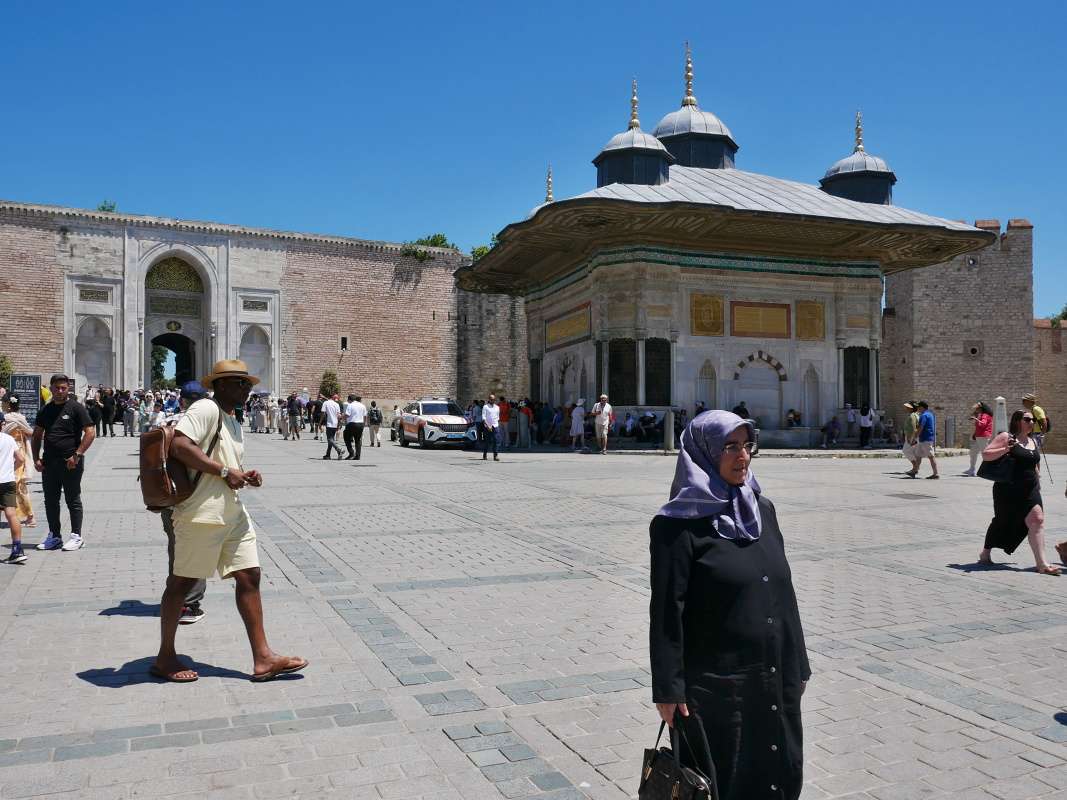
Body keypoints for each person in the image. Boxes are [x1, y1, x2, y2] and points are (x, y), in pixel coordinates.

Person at [650, 411, 809, 800]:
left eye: (746, 446)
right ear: (703, 453)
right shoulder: (677, 527)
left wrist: (799, 664)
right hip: (716, 690)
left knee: (779, 771)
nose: (743, 457)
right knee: (725, 778)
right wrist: (668, 689)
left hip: (772, 676)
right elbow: (667, 611)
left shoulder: (761, 510)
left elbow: (783, 594)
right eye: (730, 447)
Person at [153, 359, 308, 682]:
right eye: (240, 383)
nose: (247, 388)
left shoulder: (232, 420)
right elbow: (181, 445)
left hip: (232, 512)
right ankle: (165, 656)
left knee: (250, 576)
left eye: (248, 383)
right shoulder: (205, 409)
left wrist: (242, 474)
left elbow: (222, 464)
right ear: (220, 385)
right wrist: (225, 471)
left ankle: (263, 658)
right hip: (200, 515)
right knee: (181, 585)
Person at [978, 410, 1061, 575]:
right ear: (1018, 421)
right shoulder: (1006, 437)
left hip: (1030, 489)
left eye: (1033, 420)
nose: (1031, 422)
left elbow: (1034, 463)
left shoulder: (1033, 440)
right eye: (1027, 419)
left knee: (1037, 520)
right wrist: (1005, 449)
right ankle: (985, 552)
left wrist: (1038, 478)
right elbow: (986, 455)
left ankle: (1042, 564)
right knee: (1002, 521)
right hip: (1008, 489)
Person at [160, 382, 211, 623]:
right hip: (195, 497)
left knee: (175, 549)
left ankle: (174, 598)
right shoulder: (206, 424)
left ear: (181, 401)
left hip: (168, 496)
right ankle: (189, 605)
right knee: (196, 551)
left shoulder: (165, 421)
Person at [31, 374, 95, 552]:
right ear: (51, 388)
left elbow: (90, 432)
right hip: (49, 462)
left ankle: (76, 536)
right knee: (50, 500)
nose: (60, 391)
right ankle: (55, 536)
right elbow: (37, 435)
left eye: (63, 388)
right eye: (57, 388)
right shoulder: (45, 410)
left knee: (72, 499)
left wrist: (78, 454)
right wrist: (36, 458)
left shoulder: (76, 408)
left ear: (68, 389)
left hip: (70, 462)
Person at [2, 396, 36, 528]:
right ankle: (24, 515)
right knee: (17, 486)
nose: (2, 405)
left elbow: (29, 431)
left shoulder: (7, 418)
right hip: (13, 451)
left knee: (16, 485)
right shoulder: (19, 417)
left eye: (4, 403)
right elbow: (29, 431)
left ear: (9, 405)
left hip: (15, 453)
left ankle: (29, 515)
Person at [1, 427, 27, 564]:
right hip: (8, 481)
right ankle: (17, 549)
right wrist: (11, 469)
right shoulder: (9, 439)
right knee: (11, 514)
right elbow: (21, 459)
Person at [909, 401, 938, 479]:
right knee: (918, 455)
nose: (918, 409)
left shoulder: (924, 416)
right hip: (924, 439)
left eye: (919, 407)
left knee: (931, 456)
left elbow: (921, 427)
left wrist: (915, 437)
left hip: (926, 439)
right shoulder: (930, 414)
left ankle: (935, 473)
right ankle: (915, 470)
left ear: (922, 407)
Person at [965, 402, 994, 477]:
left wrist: (975, 419)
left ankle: (988, 470)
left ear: (981, 409)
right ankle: (972, 469)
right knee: (973, 452)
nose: (976, 410)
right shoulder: (983, 415)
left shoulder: (984, 415)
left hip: (983, 437)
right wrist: (975, 434)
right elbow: (979, 426)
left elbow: (982, 424)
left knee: (985, 454)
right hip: (980, 437)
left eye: (977, 409)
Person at [342, 394, 367, 460]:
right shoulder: (362, 405)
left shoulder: (350, 405)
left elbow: (347, 415)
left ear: (350, 400)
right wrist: (363, 425)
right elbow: (365, 416)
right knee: (358, 440)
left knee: (346, 437)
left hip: (352, 424)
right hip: (360, 424)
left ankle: (351, 453)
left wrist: (341, 417)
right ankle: (357, 456)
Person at [321, 393, 343, 460]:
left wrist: (320, 422)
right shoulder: (337, 404)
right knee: (331, 439)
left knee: (329, 439)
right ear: (332, 397)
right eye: (336, 397)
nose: (337, 399)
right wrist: (338, 424)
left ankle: (339, 449)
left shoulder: (326, 403)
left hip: (329, 424)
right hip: (335, 424)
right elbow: (339, 415)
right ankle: (328, 455)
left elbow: (323, 413)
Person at [482, 394, 500, 461]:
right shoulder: (485, 407)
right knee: (487, 441)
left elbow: (497, 417)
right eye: (491, 399)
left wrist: (496, 425)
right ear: (489, 399)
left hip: (495, 426)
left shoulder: (497, 407)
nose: (492, 400)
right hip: (487, 426)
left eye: (493, 399)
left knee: (496, 440)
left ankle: (495, 456)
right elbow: (483, 418)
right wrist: (487, 426)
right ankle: (485, 454)